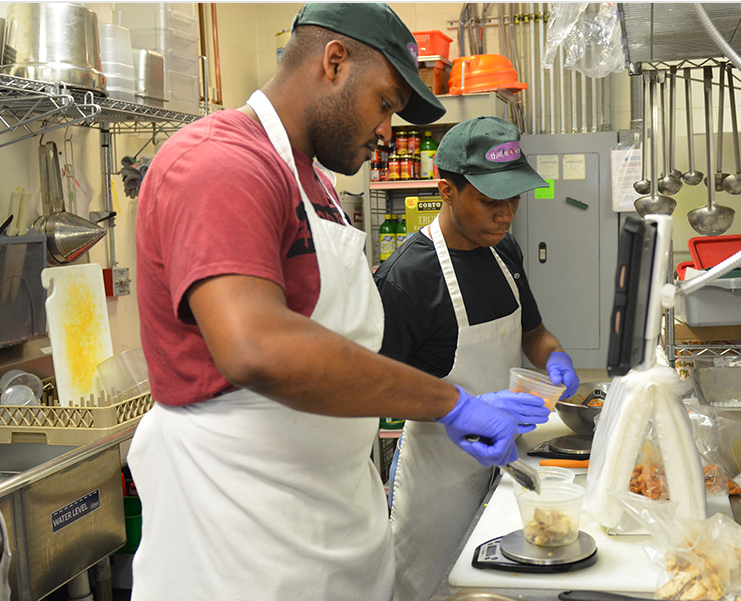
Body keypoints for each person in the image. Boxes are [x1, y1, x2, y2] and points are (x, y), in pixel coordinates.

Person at [127, 6, 549, 600]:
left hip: (336, 529)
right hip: (241, 544)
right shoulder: (219, 163)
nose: (387, 130)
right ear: (334, 62)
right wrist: (450, 402)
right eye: (384, 103)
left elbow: (347, 353)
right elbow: (257, 346)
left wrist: (454, 408)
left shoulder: (318, 187)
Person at [374, 116, 581, 601]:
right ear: (446, 190)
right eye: (491, 200)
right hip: (438, 479)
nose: (507, 214)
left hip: (506, 460)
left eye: (514, 198)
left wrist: (555, 359)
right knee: (430, 588)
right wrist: (463, 407)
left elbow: (533, 331)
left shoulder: (503, 250)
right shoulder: (405, 279)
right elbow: (378, 393)